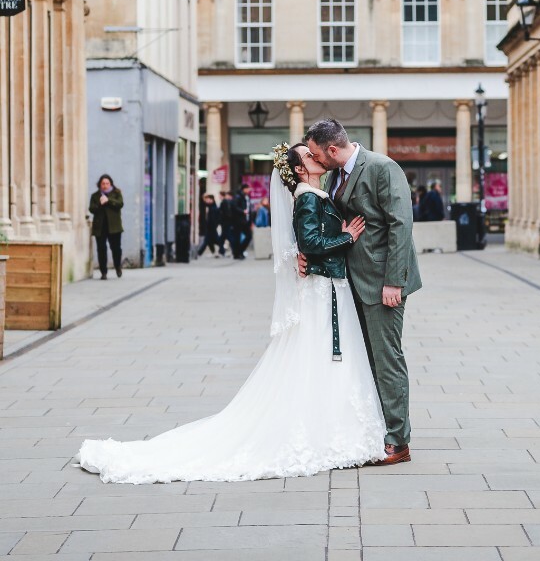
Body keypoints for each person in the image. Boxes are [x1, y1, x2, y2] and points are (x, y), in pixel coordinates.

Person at [76, 142, 385, 483]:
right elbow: (311, 244)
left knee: (318, 357)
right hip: (322, 290)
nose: (318, 158)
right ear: (299, 169)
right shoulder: (308, 197)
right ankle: (326, 431)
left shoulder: (315, 193)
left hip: (326, 288)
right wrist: (346, 238)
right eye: (310, 156)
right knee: (317, 355)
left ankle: (330, 426)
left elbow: (305, 247)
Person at [304, 119, 422, 466]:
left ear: (333, 150)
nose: (314, 160)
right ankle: (376, 431)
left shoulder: (383, 168)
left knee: (387, 361)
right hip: (353, 281)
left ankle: (398, 441)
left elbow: (401, 224)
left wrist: (395, 281)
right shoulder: (334, 176)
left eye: (315, 153)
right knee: (366, 361)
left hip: (382, 283)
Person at [89, 174, 124, 280]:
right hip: (100, 227)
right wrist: (100, 203)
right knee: (101, 249)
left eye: (107, 183)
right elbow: (91, 209)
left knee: (116, 249)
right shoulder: (95, 195)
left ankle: (118, 266)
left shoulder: (117, 193)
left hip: (114, 227)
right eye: (103, 183)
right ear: (100, 184)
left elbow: (120, 204)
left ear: (111, 184)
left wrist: (108, 200)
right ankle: (103, 272)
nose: (105, 185)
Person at [232, 183, 252, 258]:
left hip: (245, 220)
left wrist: (250, 220)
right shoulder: (238, 197)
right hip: (239, 221)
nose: (249, 190)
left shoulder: (247, 197)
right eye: (247, 188)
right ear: (244, 189)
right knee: (237, 238)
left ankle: (239, 251)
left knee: (248, 236)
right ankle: (237, 253)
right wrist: (242, 211)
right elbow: (235, 207)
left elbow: (249, 208)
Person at [217, 191, 234, 256]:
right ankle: (221, 251)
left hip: (225, 223)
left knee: (228, 237)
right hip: (225, 223)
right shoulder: (225, 202)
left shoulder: (224, 202)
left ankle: (233, 250)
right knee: (223, 238)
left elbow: (225, 213)